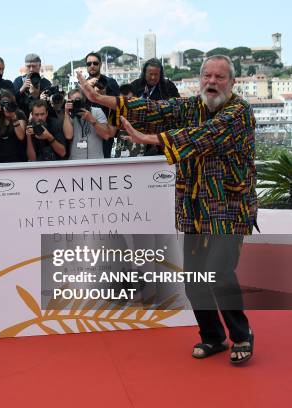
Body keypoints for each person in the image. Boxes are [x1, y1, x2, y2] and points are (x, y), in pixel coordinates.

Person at [77, 55, 257, 365]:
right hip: (194, 205)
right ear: (200, 80)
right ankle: (212, 336)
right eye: (207, 77)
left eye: (220, 77)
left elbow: (205, 136)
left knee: (220, 274)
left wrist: (152, 139)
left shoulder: (239, 112)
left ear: (233, 82)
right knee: (194, 278)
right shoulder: (191, 106)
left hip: (229, 206)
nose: (212, 82)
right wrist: (100, 98)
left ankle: (241, 335)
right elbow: (155, 109)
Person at [129, 58, 180, 155]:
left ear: (160, 74)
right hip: (139, 136)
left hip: (162, 136)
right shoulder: (135, 85)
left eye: (156, 75)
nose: (153, 77)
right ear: (144, 73)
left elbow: (179, 106)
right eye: (150, 74)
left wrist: (166, 104)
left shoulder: (168, 86)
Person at [84, 52, 120, 158]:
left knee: (106, 161)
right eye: (89, 64)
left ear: (100, 65)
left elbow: (118, 106)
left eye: (95, 63)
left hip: (107, 130)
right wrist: (87, 90)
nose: (92, 66)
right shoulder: (83, 84)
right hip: (88, 129)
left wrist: (104, 96)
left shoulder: (110, 82)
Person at [65, 89, 110, 160]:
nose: (77, 103)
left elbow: (106, 135)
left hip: (95, 161)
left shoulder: (97, 112)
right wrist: (66, 113)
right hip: (75, 161)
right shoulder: (69, 116)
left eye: (78, 100)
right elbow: (68, 136)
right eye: (73, 101)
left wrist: (92, 120)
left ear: (84, 100)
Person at [0, 90, 27, 163]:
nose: (6, 106)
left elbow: (21, 136)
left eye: (8, 103)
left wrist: (13, 117)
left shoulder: (19, 114)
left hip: (15, 158)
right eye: (3, 103)